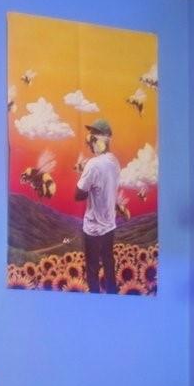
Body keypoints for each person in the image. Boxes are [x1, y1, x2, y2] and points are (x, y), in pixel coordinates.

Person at [75, 118, 122, 293]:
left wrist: (83, 175)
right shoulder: (114, 161)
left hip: (93, 228)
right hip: (109, 225)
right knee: (109, 264)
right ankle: (112, 295)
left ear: (100, 140)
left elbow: (78, 195)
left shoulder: (93, 164)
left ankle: (94, 300)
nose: (90, 142)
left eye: (93, 138)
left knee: (92, 269)